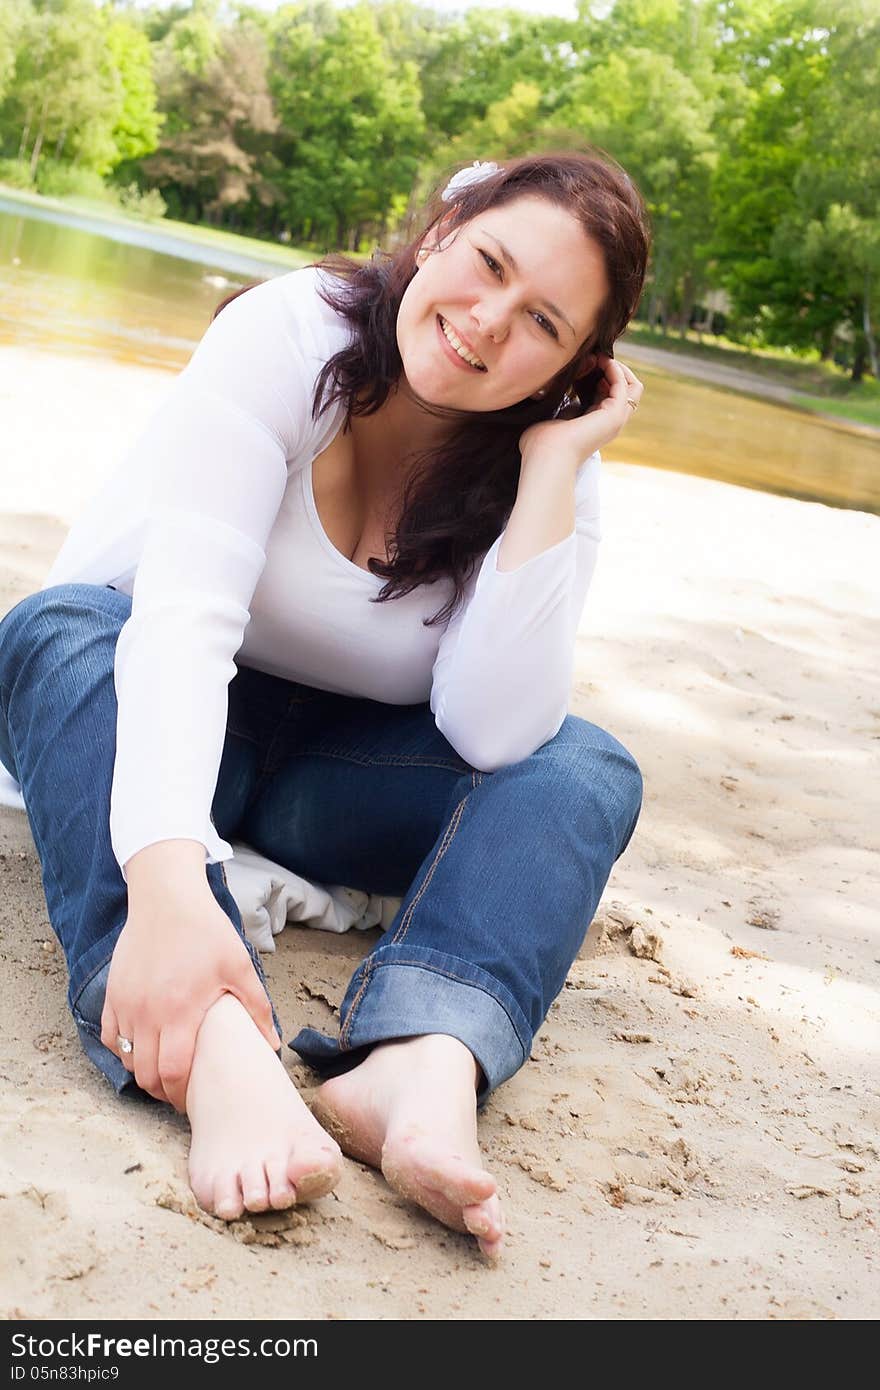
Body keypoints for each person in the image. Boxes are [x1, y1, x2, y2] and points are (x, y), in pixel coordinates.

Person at [0, 151, 649, 1260]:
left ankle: (419, 1061)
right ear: (441, 229)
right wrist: (167, 890)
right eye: (487, 263)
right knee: (57, 626)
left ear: (574, 366)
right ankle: (212, 1035)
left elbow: (495, 733)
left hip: (338, 780)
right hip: (153, 711)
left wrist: (550, 468)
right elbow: (184, 614)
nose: (487, 322)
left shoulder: (552, 463)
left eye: (541, 321)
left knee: (584, 766)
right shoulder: (288, 333)